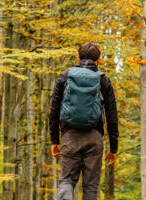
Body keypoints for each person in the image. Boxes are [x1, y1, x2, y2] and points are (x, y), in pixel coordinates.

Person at [49, 42, 119, 200]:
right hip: (94, 138)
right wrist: (113, 148)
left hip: (69, 136)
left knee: (66, 180)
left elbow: (54, 112)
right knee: (91, 186)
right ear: (98, 60)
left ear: (78, 57)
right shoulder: (103, 80)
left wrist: (54, 140)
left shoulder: (64, 77)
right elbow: (112, 116)